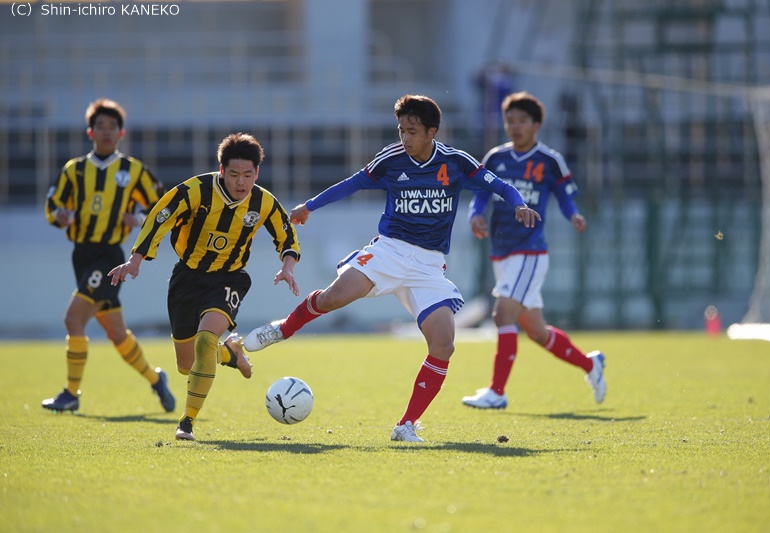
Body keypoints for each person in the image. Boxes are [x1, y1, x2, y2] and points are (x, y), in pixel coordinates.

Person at [244, 94, 540, 442]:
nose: (405, 138)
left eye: (412, 131)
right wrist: (310, 206)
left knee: (443, 344)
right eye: (401, 130)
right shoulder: (391, 159)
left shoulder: (456, 162)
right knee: (334, 297)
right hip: (390, 251)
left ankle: (406, 425)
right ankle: (283, 329)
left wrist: (519, 204)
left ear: (432, 132)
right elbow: (353, 183)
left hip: (428, 267)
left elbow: (500, 185)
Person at [109, 132, 301, 442]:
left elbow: (286, 234)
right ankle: (231, 353)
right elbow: (159, 219)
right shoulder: (194, 191)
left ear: (257, 173)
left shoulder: (262, 201)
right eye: (235, 174)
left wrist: (288, 266)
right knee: (187, 365)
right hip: (187, 279)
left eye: (248, 175)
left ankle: (187, 422)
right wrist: (136, 260)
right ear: (222, 170)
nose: (241, 182)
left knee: (205, 340)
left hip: (230, 278)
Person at [461, 91, 606, 410]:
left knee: (502, 314)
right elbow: (481, 194)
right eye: (509, 120)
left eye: (522, 121)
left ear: (537, 124)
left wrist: (573, 215)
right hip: (501, 251)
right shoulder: (495, 158)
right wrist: (475, 215)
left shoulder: (549, 160)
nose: (515, 126)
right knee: (537, 332)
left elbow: (565, 196)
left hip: (530, 252)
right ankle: (590, 365)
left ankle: (497, 392)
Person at [42, 98, 175, 414]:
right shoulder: (74, 170)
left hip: (110, 256)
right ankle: (156, 378)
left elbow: (164, 204)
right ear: (90, 132)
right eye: (100, 126)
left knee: (72, 318)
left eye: (111, 126)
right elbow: (53, 203)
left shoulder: (132, 171)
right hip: (82, 255)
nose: (106, 131)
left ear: (121, 132)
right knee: (116, 333)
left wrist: (141, 218)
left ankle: (71, 393)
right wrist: (59, 215)